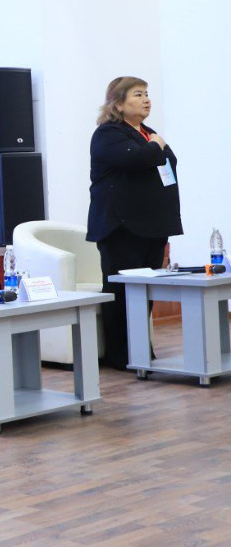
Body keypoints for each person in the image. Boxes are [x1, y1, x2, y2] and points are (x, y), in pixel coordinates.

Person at [87, 76, 181, 370]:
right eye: (138, 94)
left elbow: (167, 164)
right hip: (121, 227)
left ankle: (141, 353)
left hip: (152, 226)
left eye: (147, 94)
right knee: (122, 293)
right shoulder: (108, 134)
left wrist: (156, 146)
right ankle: (120, 357)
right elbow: (137, 160)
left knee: (145, 293)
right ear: (118, 103)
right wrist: (157, 146)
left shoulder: (147, 133)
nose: (146, 100)